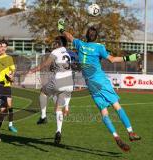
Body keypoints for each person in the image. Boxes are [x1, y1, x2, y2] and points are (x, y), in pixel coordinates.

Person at [58, 19, 141, 151]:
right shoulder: (99, 47)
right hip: (101, 81)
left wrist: (61, 29)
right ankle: (130, 132)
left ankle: (116, 136)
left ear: (86, 36)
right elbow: (112, 59)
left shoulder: (80, 44)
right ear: (96, 37)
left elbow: (69, 36)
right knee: (116, 106)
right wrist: (129, 58)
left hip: (90, 84)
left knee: (104, 112)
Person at [28, 36, 74, 144]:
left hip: (59, 81)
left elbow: (46, 63)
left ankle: (43, 116)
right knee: (58, 109)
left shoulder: (56, 51)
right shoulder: (67, 53)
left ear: (58, 43)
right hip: (69, 82)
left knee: (43, 92)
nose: (54, 44)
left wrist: (34, 70)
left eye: (55, 42)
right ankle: (58, 131)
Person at [0, 40, 17, 133]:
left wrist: (11, 77)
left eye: (4, 46)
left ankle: (10, 125)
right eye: (1, 46)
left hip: (6, 85)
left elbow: (13, 70)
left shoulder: (9, 58)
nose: (2, 48)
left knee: (9, 106)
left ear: (6, 48)